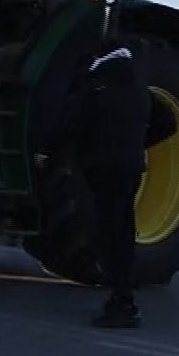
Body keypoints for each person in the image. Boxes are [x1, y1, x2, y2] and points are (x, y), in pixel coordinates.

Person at [50, 38, 152, 329]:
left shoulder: (94, 88)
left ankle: (122, 301)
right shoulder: (138, 91)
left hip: (101, 169)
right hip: (130, 168)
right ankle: (124, 295)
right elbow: (164, 122)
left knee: (108, 233)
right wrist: (136, 145)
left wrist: (51, 152)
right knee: (123, 230)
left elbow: (72, 126)